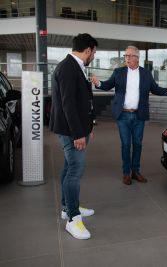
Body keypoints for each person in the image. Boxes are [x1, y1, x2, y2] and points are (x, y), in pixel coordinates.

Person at [91, 46, 167, 185]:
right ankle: (126, 173)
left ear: (137, 58)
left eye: (130, 56)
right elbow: (107, 85)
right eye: (126, 55)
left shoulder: (146, 74)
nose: (127, 58)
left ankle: (135, 172)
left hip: (139, 115)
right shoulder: (118, 72)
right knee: (125, 144)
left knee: (137, 144)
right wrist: (98, 83)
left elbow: (155, 89)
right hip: (123, 115)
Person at [49, 33, 98, 240]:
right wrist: (78, 134)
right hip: (71, 131)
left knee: (69, 167)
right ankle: (73, 219)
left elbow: (82, 101)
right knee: (75, 170)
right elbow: (68, 104)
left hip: (77, 128)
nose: (93, 56)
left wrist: (89, 126)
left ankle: (67, 207)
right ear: (87, 50)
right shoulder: (68, 67)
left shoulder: (74, 65)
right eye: (94, 53)